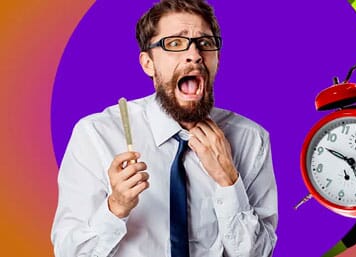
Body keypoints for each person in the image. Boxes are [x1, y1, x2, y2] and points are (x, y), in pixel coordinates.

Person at [51, 0, 278, 256]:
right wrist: (116, 207)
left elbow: (257, 254)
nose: (194, 54)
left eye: (205, 43)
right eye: (175, 43)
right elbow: (69, 252)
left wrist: (228, 181)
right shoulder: (96, 135)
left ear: (217, 58)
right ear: (148, 63)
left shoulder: (251, 139)